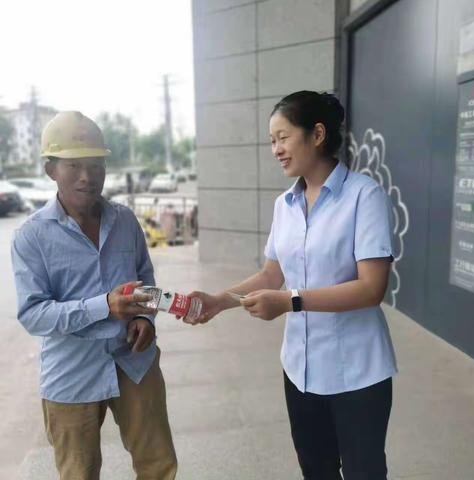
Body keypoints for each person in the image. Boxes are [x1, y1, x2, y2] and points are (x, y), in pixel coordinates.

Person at [184, 91, 397, 480]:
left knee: (364, 471)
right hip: (301, 369)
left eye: (282, 137)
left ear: (316, 134)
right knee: (316, 470)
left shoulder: (364, 196)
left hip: (358, 372)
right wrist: (219, 300)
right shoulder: (285, 204)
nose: (276, 149)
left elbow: (371, 288)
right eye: (271, 141)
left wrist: (290, 302)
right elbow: (271, 275)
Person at [11, 111, 177, 480]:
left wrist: (142, 318)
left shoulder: (125, 221)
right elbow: (33, 314)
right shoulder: (31, 237)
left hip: (135, 364)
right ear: (51, 170)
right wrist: (103, 305)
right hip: (72, 374)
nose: (88, 177)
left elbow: (145, 280)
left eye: (96, 165)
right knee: (78, 472)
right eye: (74, 166)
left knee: (158, 465)